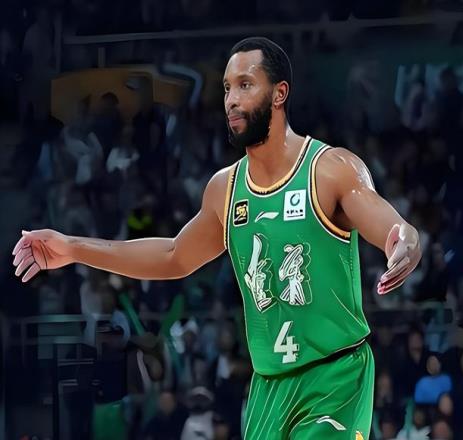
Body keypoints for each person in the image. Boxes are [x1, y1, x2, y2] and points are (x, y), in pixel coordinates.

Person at [12, 37, 421, 439]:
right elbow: (174, 255)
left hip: (336, 376)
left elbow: (391, 225)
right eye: (227, 88)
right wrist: (74, 248)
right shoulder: (225, 189)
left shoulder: (329, 168)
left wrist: (404, 243)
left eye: (245, 85)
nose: (231, 100)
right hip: (268, 387)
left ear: (279, 94)